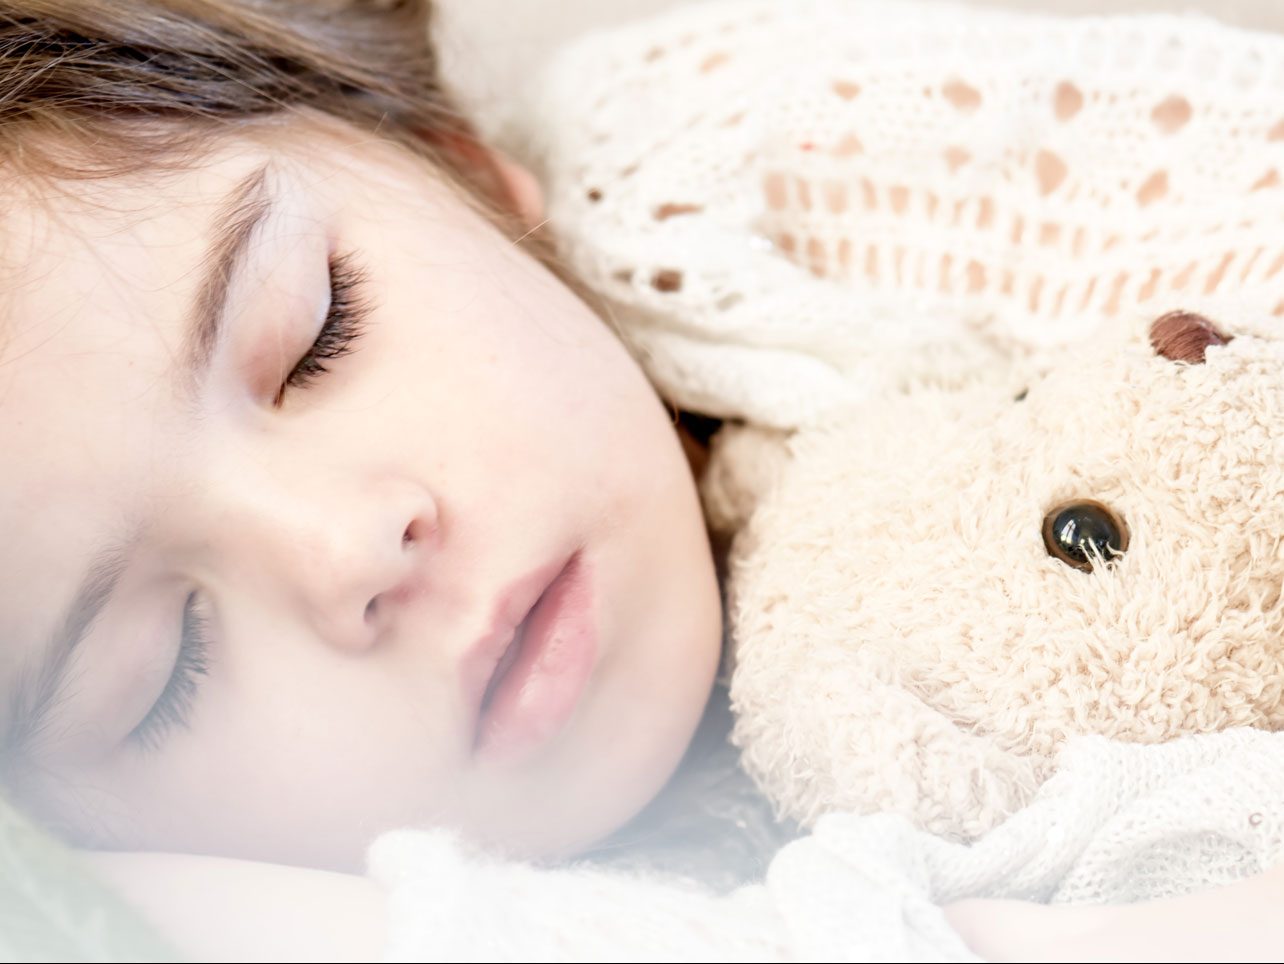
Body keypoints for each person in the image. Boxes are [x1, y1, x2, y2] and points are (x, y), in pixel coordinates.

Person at [1, 1, 1282, 960]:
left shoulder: (767, 171)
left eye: (317, 333)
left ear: (466, 166)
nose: (355, 547)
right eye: (160, 666)